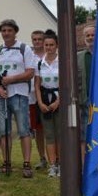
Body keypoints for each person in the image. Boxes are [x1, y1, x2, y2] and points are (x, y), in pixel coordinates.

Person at [0, 19, 37, 178]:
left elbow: (30, 72)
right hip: (0, 95)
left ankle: (27, 163)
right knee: (4, 131)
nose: (6, 33)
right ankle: (6, 161)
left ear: (15, 31)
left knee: (24, 130)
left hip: (19, 94)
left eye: (9, 30)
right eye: (3, 30)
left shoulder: (24, 49)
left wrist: (11, 79)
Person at [34, 31, 61, 177]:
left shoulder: (62, 61)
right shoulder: (39, 63)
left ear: (56, 46)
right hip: (44, 100)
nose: (49, 48)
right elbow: (37, 85)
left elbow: (66, 84)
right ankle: (52, 165)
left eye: (51, 45)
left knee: (60, 134)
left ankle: (61, 163)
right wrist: (40, 103)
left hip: (59, 100)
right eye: (46, 45)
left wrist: (58, 101)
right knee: (49, 135)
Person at [29, 30, 48, 170]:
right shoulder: (28, 56)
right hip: (32, 96)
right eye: (34, 39)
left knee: (52, 130)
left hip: (49, 95)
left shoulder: (51, 54)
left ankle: (56, 158)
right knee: (38, 130)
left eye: (39, 39)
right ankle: (42, 158)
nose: (37, 42)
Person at [77, 25, 95, 157]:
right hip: (84, 103)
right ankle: (84, 167)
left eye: (92, 35)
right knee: (83, 136)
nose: (90, 37)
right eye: (87, 35)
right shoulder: (78, 57)